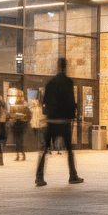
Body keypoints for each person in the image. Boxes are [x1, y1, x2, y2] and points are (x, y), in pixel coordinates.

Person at [35, 57, 83, 186]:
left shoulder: (50, 83)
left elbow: (44, 101)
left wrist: (48, 113)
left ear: (57, 66)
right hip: (63, 121)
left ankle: (39, 177)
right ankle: (72, 175)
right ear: (65, 67)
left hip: (51, 121)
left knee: (44, 150)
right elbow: (71, 101)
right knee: (69, 149)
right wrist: (73, 114)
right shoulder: (68, 82)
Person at [8, 96, 32, 161]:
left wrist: (14, 117)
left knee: (17, 141)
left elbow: (10, 116)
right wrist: (25, 120)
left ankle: (18, 154)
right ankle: (22, 154)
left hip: (16, 125)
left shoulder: (13, 107)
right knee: (21, 140)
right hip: (22, 125)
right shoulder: (25, 108)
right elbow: (30, 116)